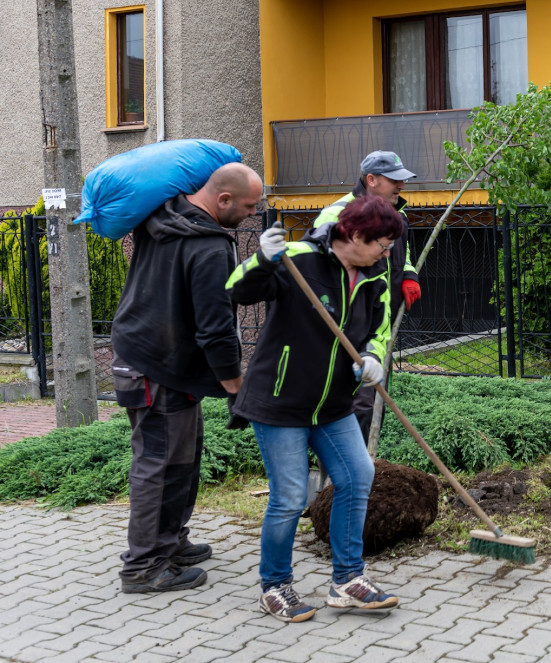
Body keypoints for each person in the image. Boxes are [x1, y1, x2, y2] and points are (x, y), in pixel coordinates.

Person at [227, 195, 404, 623]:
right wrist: (262, 261)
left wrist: (375, 357)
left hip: (333, 404)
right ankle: (275, 586)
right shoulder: (298, 260)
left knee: (358, 476)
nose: (388, 253)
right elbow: (236, 290)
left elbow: (378, 329)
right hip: (280, 400)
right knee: (289, 497)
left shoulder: (375, 277)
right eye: (383, 243)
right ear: (356, 235)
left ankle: (347, 580)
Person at [111, 162, 261, 593]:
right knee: (159, 465)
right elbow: (215, 329)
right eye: (249, 206)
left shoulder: (162, 218)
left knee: (182, 459)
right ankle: (143, 567)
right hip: (156, 367)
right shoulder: (209, 247)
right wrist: (236, 389)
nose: (253, 214)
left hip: (156, 359)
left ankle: (171, 541)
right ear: (223, 199)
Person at [314, 150, 421, 441]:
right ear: (371, 180)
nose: (401, 187)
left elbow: (403, 251)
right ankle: (346, 472)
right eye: (394, 180)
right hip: (348, 325)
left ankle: (363, 467)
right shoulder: (337, 214)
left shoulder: (397, 212)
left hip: (380, 323)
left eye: (403, 180)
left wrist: (408, 274)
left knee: (374, 398)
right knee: (354, 401)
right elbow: (317, 268)